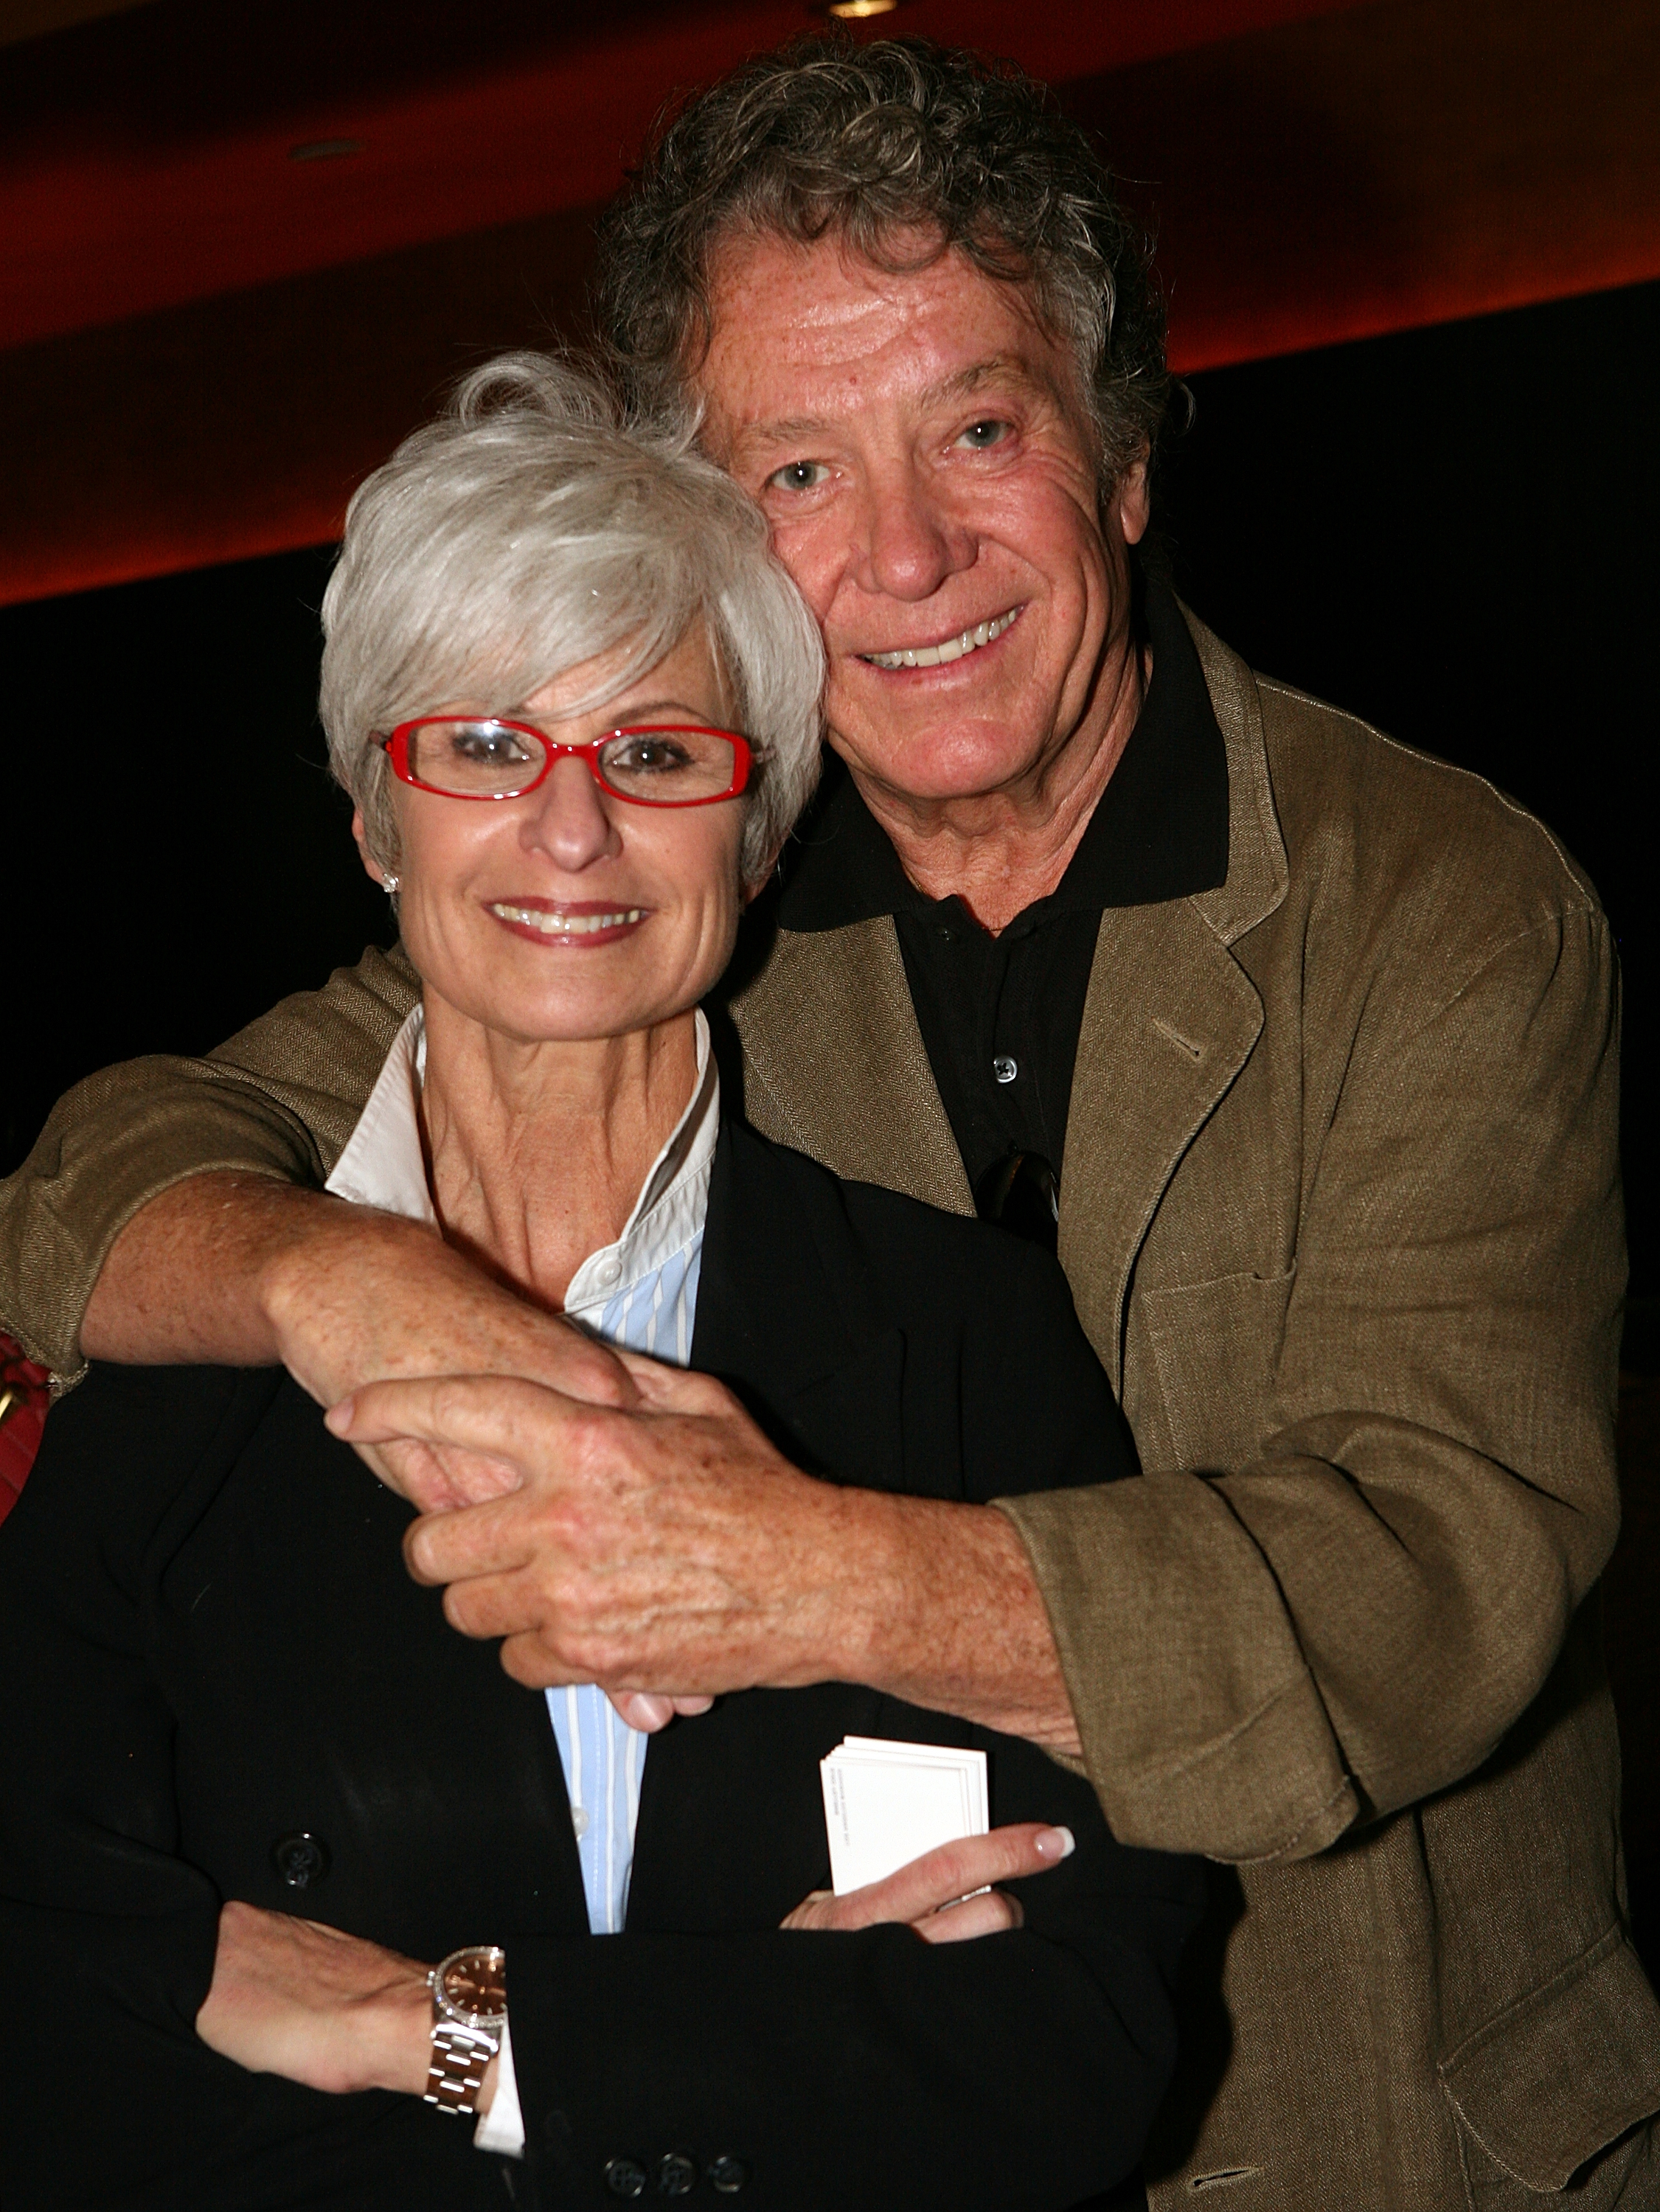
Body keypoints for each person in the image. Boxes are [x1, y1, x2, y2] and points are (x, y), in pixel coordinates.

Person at [0, 35, 1654, 2208]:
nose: (906, 554)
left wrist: (794, 1574)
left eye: (977, 427)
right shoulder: (656, 900)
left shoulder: (1441, 905)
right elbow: (103, 1184)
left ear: (1126, 456)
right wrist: (332, 1275)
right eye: (796, 474)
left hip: (1379, 2110)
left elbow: (1429, 1585)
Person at [0, 359, 1199, 2212]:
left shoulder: (959, 1336)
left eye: (654, 752)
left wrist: (434, 2028)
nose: (571, 834)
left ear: (764, 818)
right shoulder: (183, 1371)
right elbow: (67, 2060)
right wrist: (743, 2034)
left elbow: (1058, 2054)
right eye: (483, 748)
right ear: (371, 816)